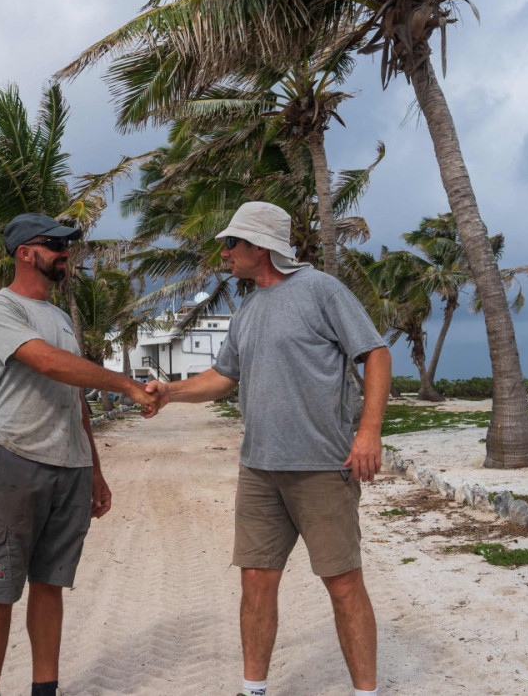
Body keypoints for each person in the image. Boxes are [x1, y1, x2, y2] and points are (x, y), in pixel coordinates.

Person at [147, 201, 392, 696]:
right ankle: (253, 690)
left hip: (323, 467)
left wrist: (369, 432)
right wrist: (169, 392)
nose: (224, 252)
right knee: (256, 580)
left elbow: (377, 353)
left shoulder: (321, 290)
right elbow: (222, 378)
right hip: (258, 470)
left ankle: (367, 693)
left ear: (260, 247)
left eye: (231, 243)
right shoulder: (248, 309)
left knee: (343, 584)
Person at [0, 213, 159, 696]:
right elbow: (49, 363)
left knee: (50, 584)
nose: (65, 252)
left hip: (70, 467)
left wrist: (95, 469)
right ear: (24, 253)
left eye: (67, 244)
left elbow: (75, 396)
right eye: (54, 244)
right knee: (0, 588)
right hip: (16, 461)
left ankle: (45, 689)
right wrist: (128, 387)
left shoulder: (58, 317)